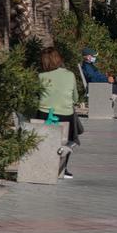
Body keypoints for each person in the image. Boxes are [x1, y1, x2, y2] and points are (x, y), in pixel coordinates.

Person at [37, 47, 78, 178]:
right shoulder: (70, 75)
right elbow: (75, 98)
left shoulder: (41, 76)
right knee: (68, 139)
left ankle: (43, 166)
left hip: (44, 113)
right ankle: (62, 169)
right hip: (66, 114)